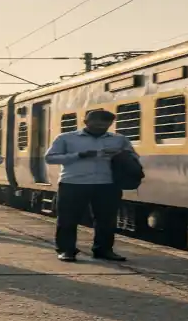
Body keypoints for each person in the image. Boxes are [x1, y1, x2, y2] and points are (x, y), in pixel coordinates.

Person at [44, 109, 138, 263]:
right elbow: (50, 158)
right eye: (96, 124)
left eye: (105, 125)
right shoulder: (66, 138)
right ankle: (67, 250)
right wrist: (80, 155)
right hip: (73, 183)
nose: (100, 127)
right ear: (86, 122)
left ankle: (103, 250)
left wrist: (120, 154)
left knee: (106, 220)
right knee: (68, 219)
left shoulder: (119, 140)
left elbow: (133, 156)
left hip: (107, 184)